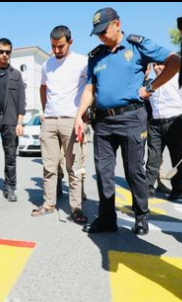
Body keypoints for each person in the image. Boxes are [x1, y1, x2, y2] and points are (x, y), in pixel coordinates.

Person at [74, 7, 180, 235]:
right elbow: (90, 87)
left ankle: (141, 216)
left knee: (134, 171)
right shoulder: (95, 56)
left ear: (117, 24)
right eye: (98, 32)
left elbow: (174, 61)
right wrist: (79, 115)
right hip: (102, 122)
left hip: (132, 117)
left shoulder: (136, 45)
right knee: (104, 172)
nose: (101, 35)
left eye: (104, 30)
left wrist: (151, 87)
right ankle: (107, 218)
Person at [31, 26, 88, 224]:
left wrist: (84, 113)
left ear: (70, 42)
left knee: (75, 167)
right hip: (50, 121)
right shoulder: (46, 65)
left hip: (72, 120)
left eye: (60, 46)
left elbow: (91, 88)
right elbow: (43, 88)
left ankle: (76, 207)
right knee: (49, 166)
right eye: (53, 46)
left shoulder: (82, 62)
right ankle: (48, 204)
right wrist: (46, 113)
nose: (56, 51)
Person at [0, 38, 26, 202]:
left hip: (10, 119)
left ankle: (10, 187)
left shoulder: (16, 75)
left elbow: (21, 100)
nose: (4, 55)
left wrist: (20, 122)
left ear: (10, 53)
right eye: (1, 51)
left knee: (10, 155)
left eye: (7, 52)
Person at [146, 62, 182, 200]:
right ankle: (148, 190)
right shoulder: (150, 83)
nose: (157, 68)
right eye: (154, 65)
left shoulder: (177, 78)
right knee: (152, 159)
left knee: (177, 159)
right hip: (155, 125)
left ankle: (177, 190)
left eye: (160, 65)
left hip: (175, 123)